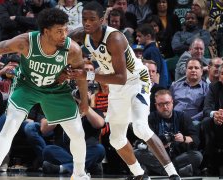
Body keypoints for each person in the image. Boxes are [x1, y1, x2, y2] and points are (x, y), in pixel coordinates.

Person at [0, 8, 90, 180]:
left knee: (77, 132)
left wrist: (84, 100)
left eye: (66, 30)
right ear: (45, 32)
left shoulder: (72, 49)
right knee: (9, 127)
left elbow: (81, 74)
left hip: (55, 88)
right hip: (26, 85)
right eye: (59, 31)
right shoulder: (26, 42)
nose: (65, 34)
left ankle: (80, 174)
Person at [69, 1, 180, 179]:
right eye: (84, 19)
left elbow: (122, 77)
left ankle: (173, 174)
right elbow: (64, 39)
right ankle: (139, 174)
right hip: (116, 86)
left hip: (136, 79)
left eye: (92, 19)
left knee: (140, 128)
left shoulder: (115, 38)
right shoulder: (83, 35)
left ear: (102, 19)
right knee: (116, 139)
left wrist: (87, 75)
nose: (87, 23)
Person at [135, 89, 203, 176]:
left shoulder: (182, 116)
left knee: (197, 155)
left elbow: (196, 139)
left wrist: (184, 138)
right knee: (137, 153)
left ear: (172, 103)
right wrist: (157, 145)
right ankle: (177, 172)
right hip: (158, 156)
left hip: (177, 156)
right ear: (156, 105)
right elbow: (144, 141)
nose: (165, 107)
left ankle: (160, 171)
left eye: (167, 103)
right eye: (161, 104)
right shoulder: (150, 119)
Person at [201, 65, 223, 176]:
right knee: (206, 121)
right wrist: (216, 114)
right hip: (219, 122)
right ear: (219, 76)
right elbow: (206, 109)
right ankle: (211, 164)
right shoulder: (214, 87)